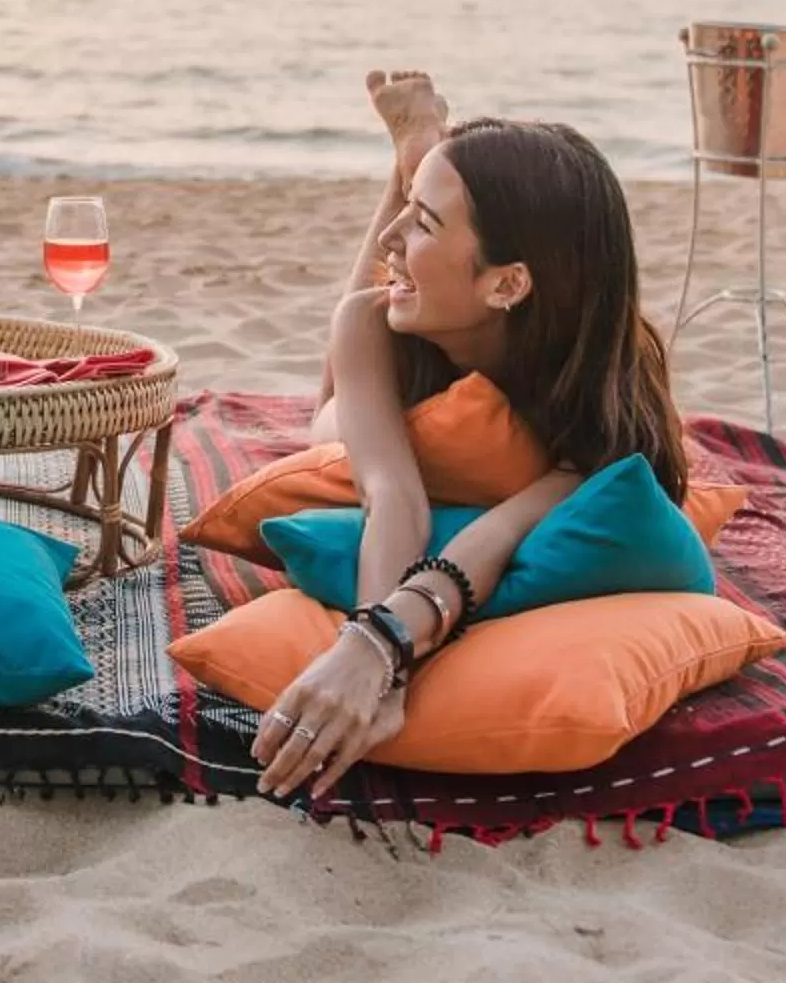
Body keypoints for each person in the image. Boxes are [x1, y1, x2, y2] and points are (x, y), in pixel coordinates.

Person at [256, 70, 690, 799]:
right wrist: (368, 641)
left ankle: (418, 164)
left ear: (508, 284)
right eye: (411, 209)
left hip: (523, 389)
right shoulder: (373, 322)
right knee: (326, 420)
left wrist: (389, 650)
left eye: (423, 221)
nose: (395, 236)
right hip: (394, 374)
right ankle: (414, 163)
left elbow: (499, 533)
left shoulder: (605, 406)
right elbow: (394, 496)